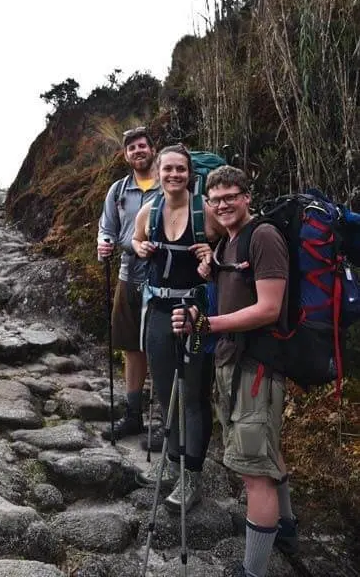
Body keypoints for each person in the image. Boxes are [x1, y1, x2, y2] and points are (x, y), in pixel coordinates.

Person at [172, 165, 298, 577]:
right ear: (207, 204)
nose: (223, 204)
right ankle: (286, 530)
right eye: (216, 199)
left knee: (252, 472)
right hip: (234, 362)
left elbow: (268, 309)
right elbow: (228, 305)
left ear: (247, 196)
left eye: (231, 196)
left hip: (257, 365)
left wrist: (209, 325)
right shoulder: (227, 244)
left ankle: (253, 570)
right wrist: (198, 314)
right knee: (263, 451)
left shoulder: (262, 237)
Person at [132, 143, 222, 513]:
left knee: (195, 394)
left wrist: (211, 259)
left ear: (191, 174)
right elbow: (135, 240)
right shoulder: (149, 212)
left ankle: (192, 477)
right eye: (167, 169)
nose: (174, 175)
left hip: (196, 314)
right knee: (165, 388)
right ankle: (173, 464)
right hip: (157, 310)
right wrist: (138, 247)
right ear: (158, 171)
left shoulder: (206, 213)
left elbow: (234, 248)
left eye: (180, 170)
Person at [97, 126, 160, 443]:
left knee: (162, 349)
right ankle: (133, 416)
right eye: (132, 148)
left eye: (142, 146)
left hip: (164, 276)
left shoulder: (169, 185)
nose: (138, 151)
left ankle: (166, 422)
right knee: (131, 348)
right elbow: (106, 227)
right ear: (126, 155)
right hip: (127, 274)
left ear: (153, 150)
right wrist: (104, 243)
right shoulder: (118, 190)